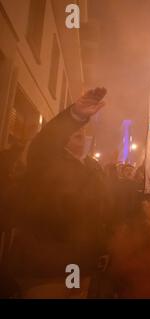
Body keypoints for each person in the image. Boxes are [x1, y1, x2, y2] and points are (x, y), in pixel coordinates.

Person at [10, 87, 114, 298]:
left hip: (76, 264)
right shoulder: (45, 160)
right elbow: (47, 140)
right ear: (63, 140)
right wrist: (74, 116)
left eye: (83, 136)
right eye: (75, 135)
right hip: (45, 267)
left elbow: (96, 215)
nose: (81, 140)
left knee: (74, 293)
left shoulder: (91, 168)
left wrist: (100, 249)